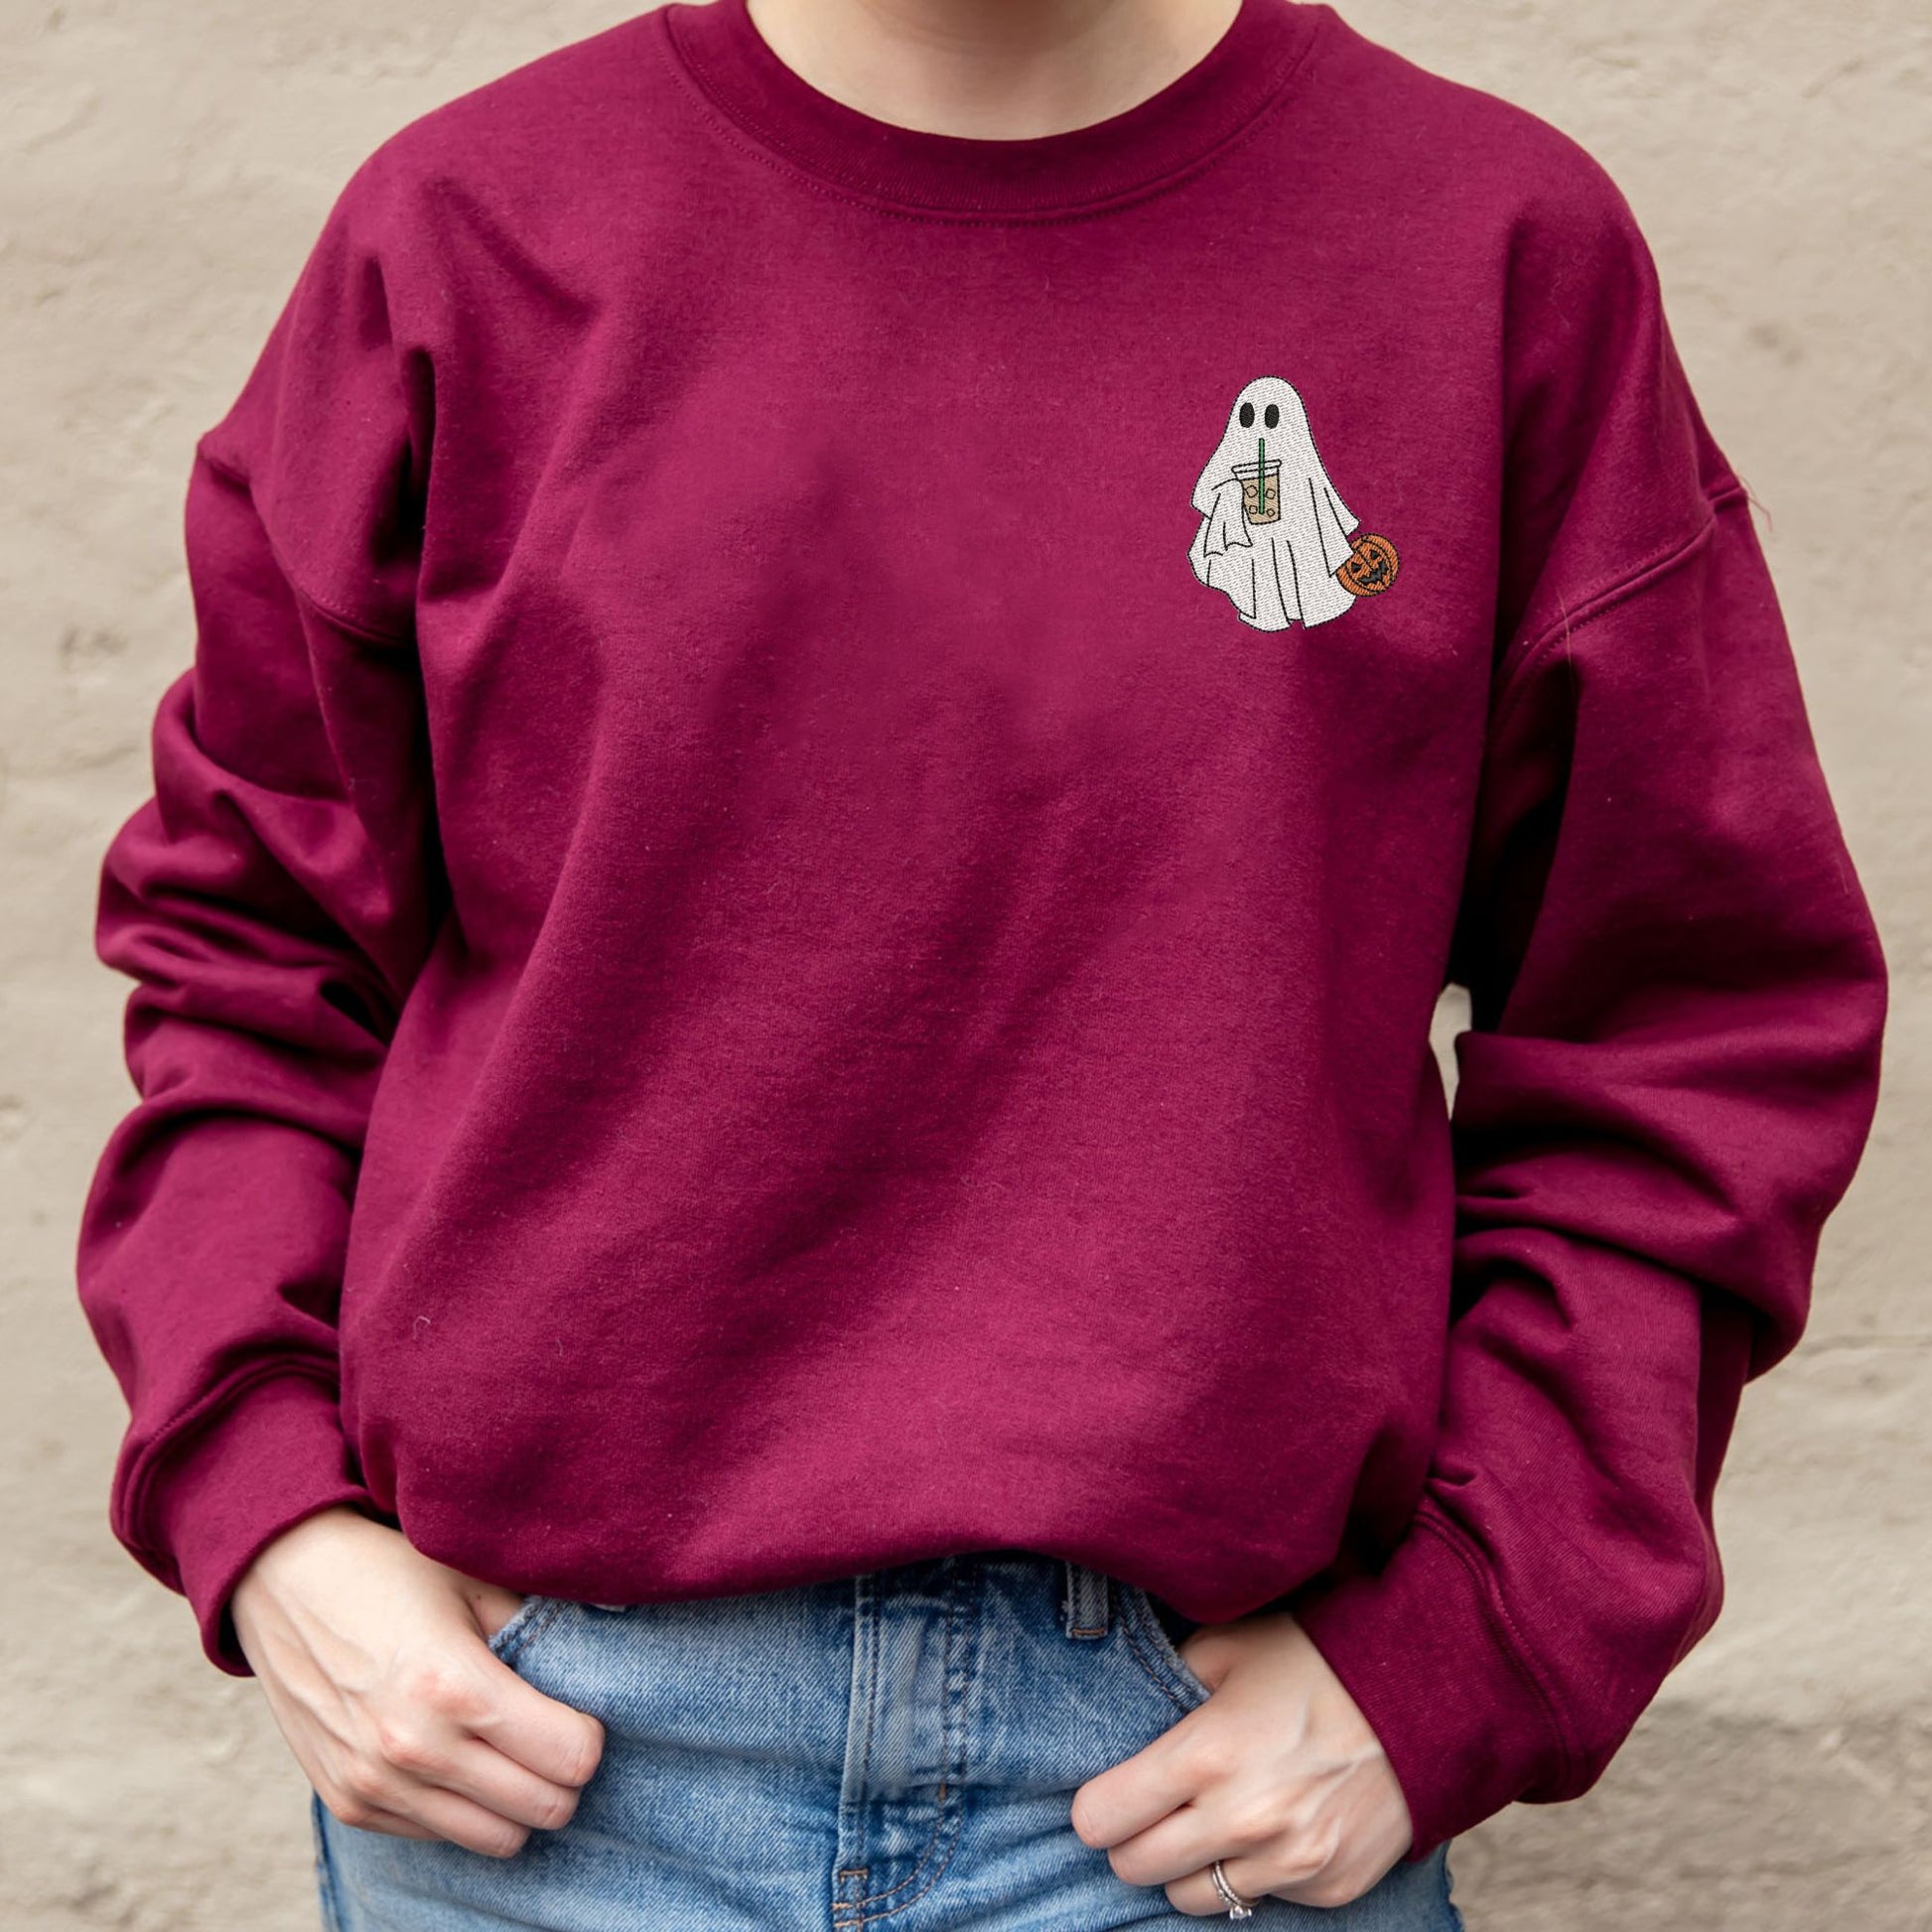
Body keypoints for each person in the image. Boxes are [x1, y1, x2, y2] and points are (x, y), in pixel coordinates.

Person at [74, 0, 1887, 1923]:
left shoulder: (1486, 255)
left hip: (1186, 1799)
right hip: (535, 1779)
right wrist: (266, 1512)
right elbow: (250, 944)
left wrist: (1470, 1636)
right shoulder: (466, 239)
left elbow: (1690, 1021)